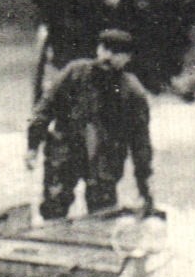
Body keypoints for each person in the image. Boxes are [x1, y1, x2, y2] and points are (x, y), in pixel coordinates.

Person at [26, 28, 154, 220]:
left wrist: (144, 188)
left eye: (117, 52)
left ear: (127, 58)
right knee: (54, 204)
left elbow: (140, 141)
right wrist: (32, 147)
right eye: (105, 49)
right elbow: (44, 109)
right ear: (98, 50)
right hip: (66, 149)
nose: (108, 56)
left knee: (103, 211)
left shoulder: (133, 92)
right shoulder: (74, 73)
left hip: (106, 157)